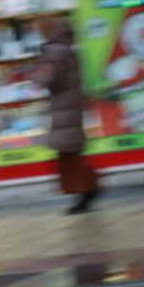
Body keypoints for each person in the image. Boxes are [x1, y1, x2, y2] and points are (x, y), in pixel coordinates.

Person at [35, 15, 100, 214]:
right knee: (70, 154)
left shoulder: (54, 51)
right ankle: (88, 191)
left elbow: (50, 79)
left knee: (68, 156)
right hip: (70, 107)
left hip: (64, 109)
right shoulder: (68, 49)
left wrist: (32, 73)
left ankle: (88, 190)